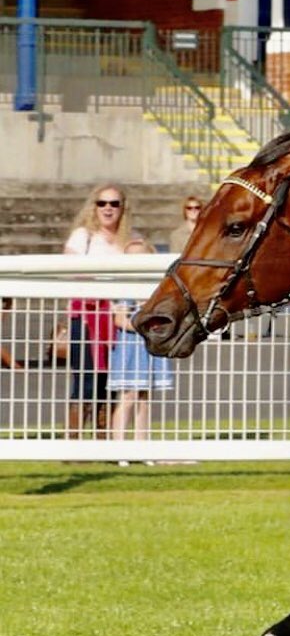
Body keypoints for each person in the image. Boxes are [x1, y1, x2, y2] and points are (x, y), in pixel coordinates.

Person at [62, 183, 138, 437]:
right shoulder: (83, 235)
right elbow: (71, 270)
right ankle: (74, 442)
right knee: (85, 376)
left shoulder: (130, 238)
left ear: (122, 208)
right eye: (102, 203)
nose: (108, 208)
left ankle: (103, 437)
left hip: (118, 315)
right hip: (86, 313)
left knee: (110, 379)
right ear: (94, 207)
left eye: (114, 203)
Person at [108, 238, 175, 463]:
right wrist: (141, 327)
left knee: (144, 398)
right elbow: (119, 319)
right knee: (127, 396)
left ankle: (142, 447)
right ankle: (119, 449)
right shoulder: (123, 288)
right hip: (130, 348)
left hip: (148, 348)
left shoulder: (156, 288)